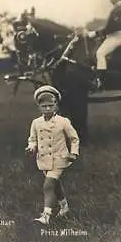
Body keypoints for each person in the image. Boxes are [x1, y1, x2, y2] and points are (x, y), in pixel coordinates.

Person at [25, 85, 80, 225]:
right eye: (44, 106)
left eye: (51, 105)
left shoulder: (63, 122)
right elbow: (33, 139)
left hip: (59, 159)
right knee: (55, 185)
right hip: (43, 160)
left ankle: (46, 216)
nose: (48, 108)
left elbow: (74, 138)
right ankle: (64, 207)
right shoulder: (36, 123)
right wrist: (32, 147)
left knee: (48, 185)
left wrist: (73, 153)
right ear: (39, 107)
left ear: (56, 105)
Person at [87, 0, 121, 89]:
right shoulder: (116, 9)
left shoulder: (120, 10)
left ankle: (101, 82)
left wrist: (95, 34)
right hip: (111, 37)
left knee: (100, 53)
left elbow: (112, 28)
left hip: (116, 37)